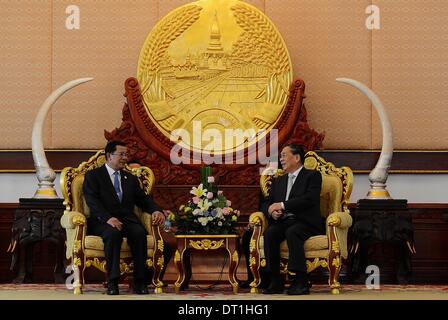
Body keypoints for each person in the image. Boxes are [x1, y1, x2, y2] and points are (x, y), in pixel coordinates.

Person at [83, 140, 165, 295]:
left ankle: (140, 282)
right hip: (102, 221)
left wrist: (156, 210)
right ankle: (113, 281)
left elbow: (143, 199)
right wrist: (108, 218)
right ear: (109, 156)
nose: (125, 158)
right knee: (113, 234)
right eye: (121, 154)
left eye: (126, 154)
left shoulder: (130, 178)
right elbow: (92, 201)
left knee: (139, 233)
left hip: (127, 220)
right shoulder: (93, 176)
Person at [262, 144, 323, 295]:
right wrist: (271, 211)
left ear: (296, 158)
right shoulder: (279, 180)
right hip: (285, 221)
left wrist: (282, 205)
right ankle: (275, 280)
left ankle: (301, 281)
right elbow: (267, 202)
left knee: (293, 232)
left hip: (306, 222)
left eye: (284, 155)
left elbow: (310, 199)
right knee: (271, 233)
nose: (281, 159)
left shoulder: (312, 176)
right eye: (281, 156)